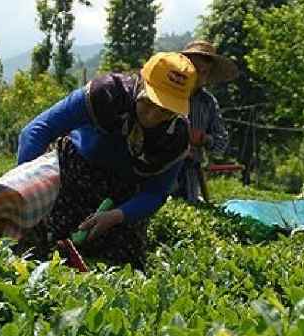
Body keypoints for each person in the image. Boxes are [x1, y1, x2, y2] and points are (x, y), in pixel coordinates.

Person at [14, 52, 197, 266]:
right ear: (141, 83)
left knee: (124, 263)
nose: (153, 117)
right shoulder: (106, 94)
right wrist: (26, 192)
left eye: (166, 111)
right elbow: (36, 131)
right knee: (46, 246)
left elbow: (155, 192)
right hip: (75, 174)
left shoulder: (177, 137)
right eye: (149, 103)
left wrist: (117, 215)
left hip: (124, 196)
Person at [174, 40, 238, 204]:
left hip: (190, 175)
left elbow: (221, 144)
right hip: (160, 169)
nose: (197, 75)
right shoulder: (168, 92)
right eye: (194, 69)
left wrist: (203, 139)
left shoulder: (207, 102)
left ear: (208, 76)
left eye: (203, 72)